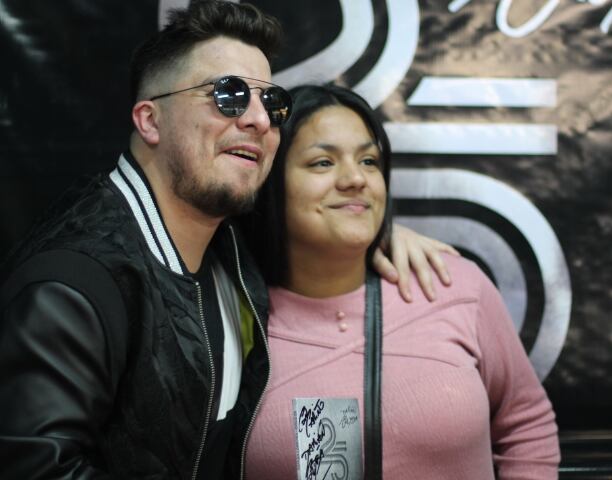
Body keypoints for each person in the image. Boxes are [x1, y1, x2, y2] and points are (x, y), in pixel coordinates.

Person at [0, 3, 455, 479]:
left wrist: (380, 233)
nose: (260, 120)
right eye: (229, 96)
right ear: (150, 121)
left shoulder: (227, 248)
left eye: (272, 103)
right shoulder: (72, 286)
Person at [242, 84, 561, 479]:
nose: (355, 178)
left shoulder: (451, 285)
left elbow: (526, 424)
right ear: (269, 183)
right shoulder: (236, 316)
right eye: (323, 162)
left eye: (370, 161)